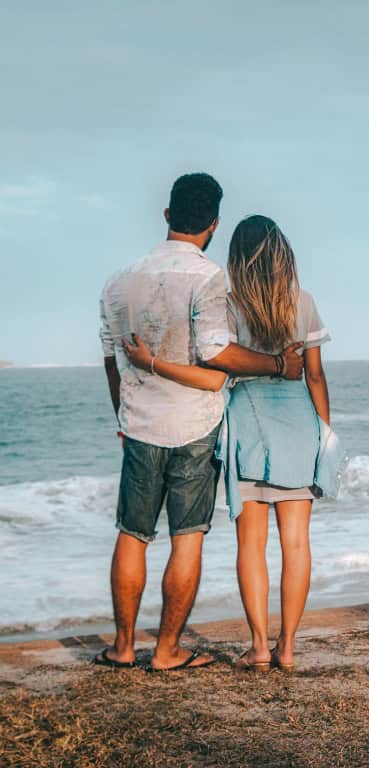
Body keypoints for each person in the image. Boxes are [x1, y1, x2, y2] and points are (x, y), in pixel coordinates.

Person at [97, 174, 305, 672]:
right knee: (186, 537)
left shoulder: (119, 280)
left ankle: (123, 648)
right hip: (194, 425)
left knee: (132, 533)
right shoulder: (210, 278)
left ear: (167, 215)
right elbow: (216, 351)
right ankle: (167, 651)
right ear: (214, 223)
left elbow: (110, 360)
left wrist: (122, 416)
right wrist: (277, 365)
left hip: (140, 424)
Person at [123, 214, 340, 672]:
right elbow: (315, 374)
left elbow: (224, 368)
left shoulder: (230, 305)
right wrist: (324, 431)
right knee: (297, 543)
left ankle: (260, 646)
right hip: (298, 423)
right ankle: (287, 649)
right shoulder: (304, 303)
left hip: (248, 424)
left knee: (251, 545)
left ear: (238, 259)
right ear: (284, 254)